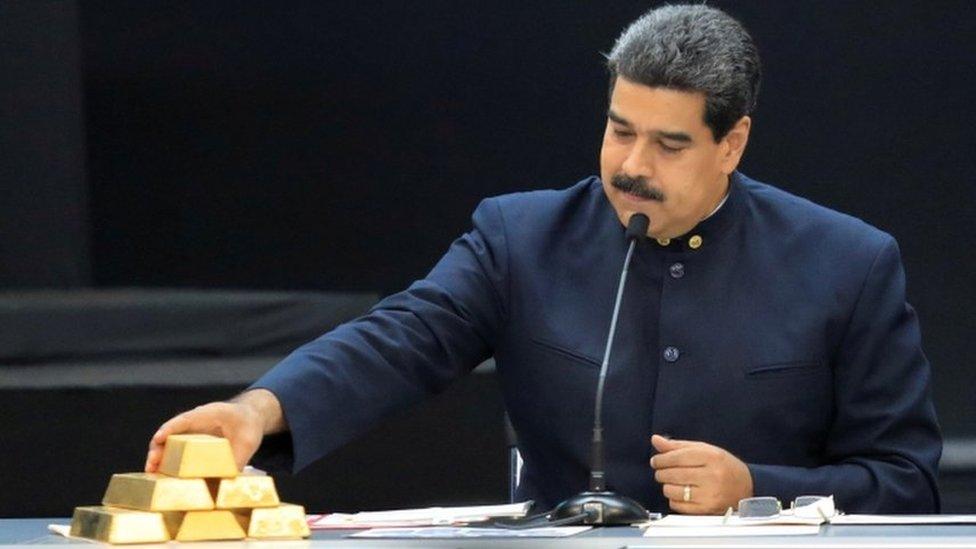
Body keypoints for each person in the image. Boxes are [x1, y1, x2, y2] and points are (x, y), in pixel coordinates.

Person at [145, 4, 941, 515]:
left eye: (669, 145)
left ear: (732, 143)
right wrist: (258, 409)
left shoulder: (848, 263)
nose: (632, 164)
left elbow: (907, 481)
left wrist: (758, 487)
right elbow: (399, 339)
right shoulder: (521, 238)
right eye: (620, 128)